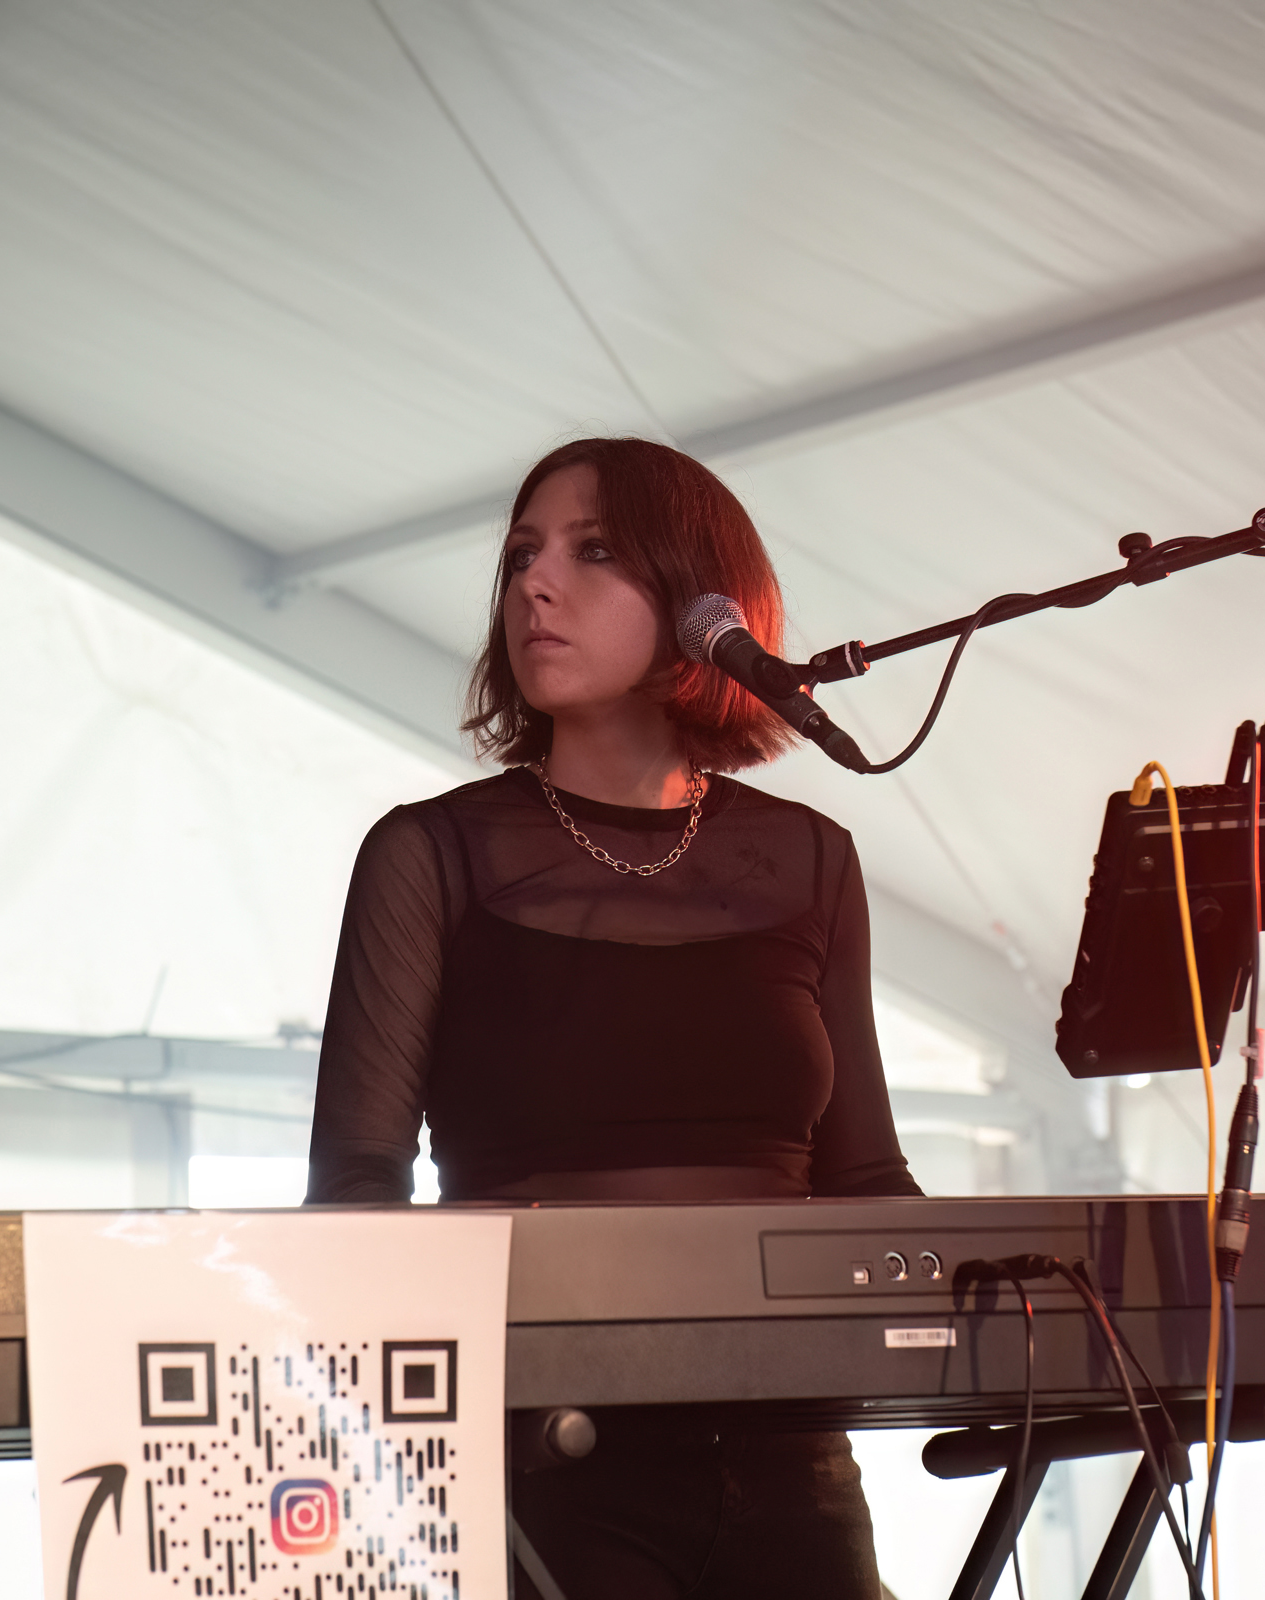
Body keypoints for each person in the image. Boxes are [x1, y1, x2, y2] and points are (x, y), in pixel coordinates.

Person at [307, 436, 918, 1597]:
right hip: (543, 1467)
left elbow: (867, 1175)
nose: (534, 584)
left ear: (702, 605)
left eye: (593, 552)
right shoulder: (429, 854)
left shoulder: (811, 859)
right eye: (521, 555)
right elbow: (355, 1192)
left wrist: (1021, 1302)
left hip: (793, 1461)